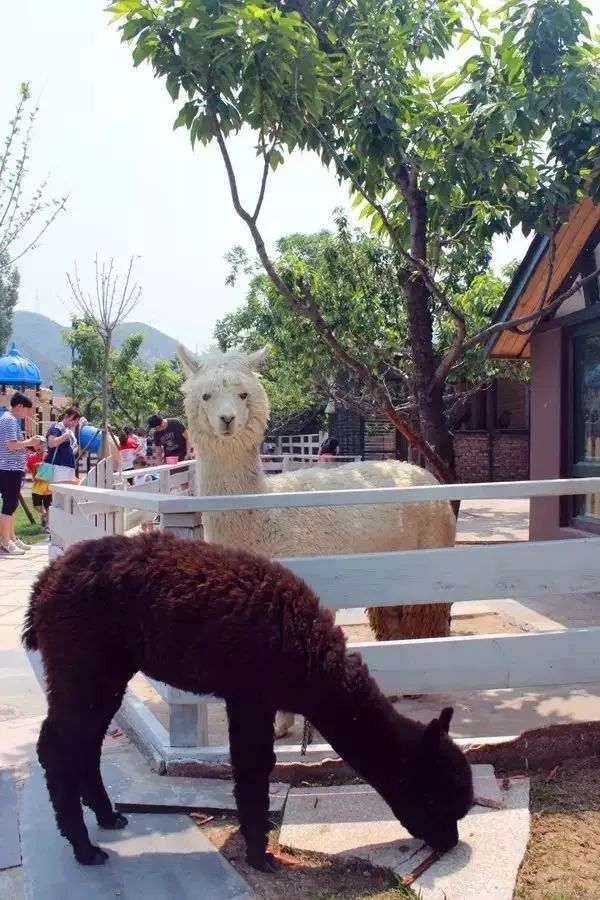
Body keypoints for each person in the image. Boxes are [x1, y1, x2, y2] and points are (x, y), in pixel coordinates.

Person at [0, 391, 42, 555]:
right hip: (9, 468)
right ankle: (6, 542)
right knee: (9, 504)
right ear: (19, 406)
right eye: (26, 410)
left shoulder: (9, 419)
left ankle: (11, 538)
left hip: (11, 467)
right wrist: (29, 442)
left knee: (12, 504)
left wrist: (28, 445)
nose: (27, 414)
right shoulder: (9, 420)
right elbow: (11, 445)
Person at [46, 407, 81, 485]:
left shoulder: (67, 430)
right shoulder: (57, 427)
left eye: (76, 422)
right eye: (72, 420)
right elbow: (51, 443)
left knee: (66, 491)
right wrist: (64, 436)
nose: (74, 424)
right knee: (59, 491)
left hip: (67, 467)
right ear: (66, 416)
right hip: (58, 467)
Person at [27, 447, 52, 532]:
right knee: (36, 505)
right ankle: (45, 516)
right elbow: (28, 467)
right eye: (37, 445)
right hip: (37, 485)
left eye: (41, 444)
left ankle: (47, 525)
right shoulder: (31, 456)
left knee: (48, 506)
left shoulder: (49, 455)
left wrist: (42, 465)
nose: (38, 446)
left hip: (47, 486)